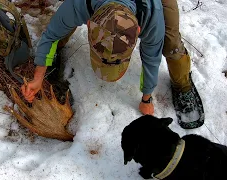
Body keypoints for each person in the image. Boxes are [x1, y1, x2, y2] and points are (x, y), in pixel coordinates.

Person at [21, 0, 205, 129]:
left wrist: (146, 97)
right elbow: (51, 34)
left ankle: (182, 84)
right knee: (61, 29)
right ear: (89, 23)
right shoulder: (80, 4)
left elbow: (151, 57)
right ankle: (53, 55)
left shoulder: (151, 16)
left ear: (139, 30)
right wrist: (38, 77)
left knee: (171, 44)